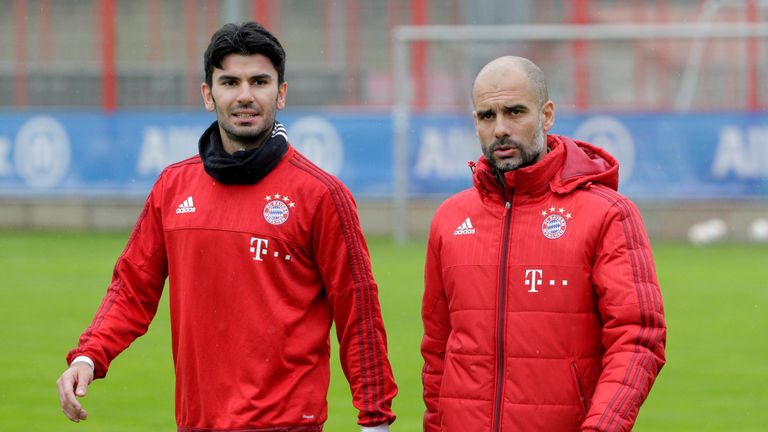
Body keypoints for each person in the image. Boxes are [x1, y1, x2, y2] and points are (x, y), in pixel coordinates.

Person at [56, 21, 397, 432]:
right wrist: (88, 357)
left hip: (286, 424)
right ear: (208, 94)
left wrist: (375, 420)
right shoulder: (172, 186)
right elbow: (132, 286)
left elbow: (358, 311)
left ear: (281, 93)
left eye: (259, 81)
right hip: (196, 422)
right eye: (230, 82)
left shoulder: (321, 195)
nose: (245, 95)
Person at [421, 56, 666, 431]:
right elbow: (438, 350)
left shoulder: (608, 215)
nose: (500, 128)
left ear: (547, 115)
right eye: (487, 116)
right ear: (475, 123)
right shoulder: (450, 219)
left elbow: (638, 338)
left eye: (515, 111)